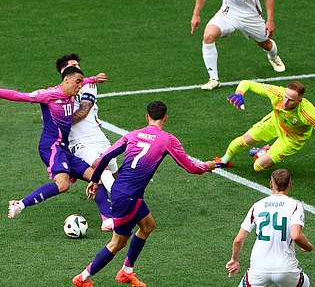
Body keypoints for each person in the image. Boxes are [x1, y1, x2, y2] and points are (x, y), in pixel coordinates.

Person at [72, 101, 216, 287]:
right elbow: (191, 167)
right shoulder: (167, 139)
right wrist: (207, 166)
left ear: (147, 117)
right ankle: (82, 278)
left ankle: (127, 271)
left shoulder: (133, 134)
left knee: (148, 226)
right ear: (166, 118)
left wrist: (94, 179)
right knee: (117, 243)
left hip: (123, 191)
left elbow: (106, 156)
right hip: (128, 197)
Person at [0, 67, 100, 219]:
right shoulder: (48, 95)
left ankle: (109, 220)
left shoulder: (71, 91)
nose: (80, 86)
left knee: (97, 177)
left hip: (63, 148)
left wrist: (92, 79)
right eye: (78, 82)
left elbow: (80, 81)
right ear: (66, 80)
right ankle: (20, 204)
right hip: (52, 146)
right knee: (62, 184)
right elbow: (16, 96)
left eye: (81, 83)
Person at [214, 80, 315, 184]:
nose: (285, 102)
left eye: (291, 100)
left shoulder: (308, 114)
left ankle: (263, 152)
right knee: (244, 140)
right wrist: (239, 93)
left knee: (258, 166)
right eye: (285, 97)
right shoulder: (277, 93)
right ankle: (224, 160)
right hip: (275, 122)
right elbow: (247, 83)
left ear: (299, 101)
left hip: (292, 138)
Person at [56, 53, 116, 231]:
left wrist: (60, 123)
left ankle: (122, 207)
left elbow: (83, 110)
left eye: (78, 64)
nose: (77, 67)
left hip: (98, 138)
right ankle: (109, 217)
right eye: (72, 65)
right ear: (63, 73)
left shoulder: (88, 85)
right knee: (99, 170)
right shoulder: (57, 92)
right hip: (79, 143)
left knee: (114, 177)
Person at [226, 169, 313, 287]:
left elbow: (238, 240)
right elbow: (296, 235)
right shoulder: (295, 206)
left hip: (259, 268)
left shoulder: (257, 206)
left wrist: (234, 260)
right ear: (290, 184)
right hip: (285, 268)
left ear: (271, 184)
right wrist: (308, 246)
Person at [191, 0, 285, 91]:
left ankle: (273, 57)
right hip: (228, 14)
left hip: (251, 17)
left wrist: (270, 20)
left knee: (265, 44)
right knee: (208, 36)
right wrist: (196, 14)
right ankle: (214, 79)